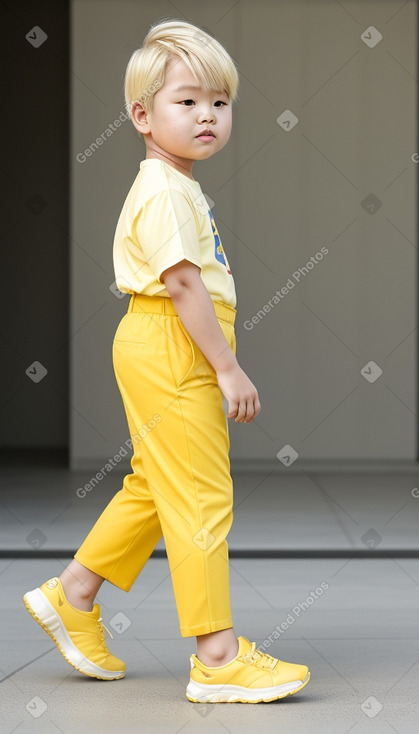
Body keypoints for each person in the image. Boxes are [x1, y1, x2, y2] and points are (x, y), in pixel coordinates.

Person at [23, 17, 310, 704]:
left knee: (157, 485)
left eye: (219, 101)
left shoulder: (172, 185)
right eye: (188, 101)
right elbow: (183, 286)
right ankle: (216, 656)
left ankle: (74, 596)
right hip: (170, 343)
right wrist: (228, 369)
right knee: (202, 497)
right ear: (142, 116)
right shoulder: (165, 192)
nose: (207, 114)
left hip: (156, 342)